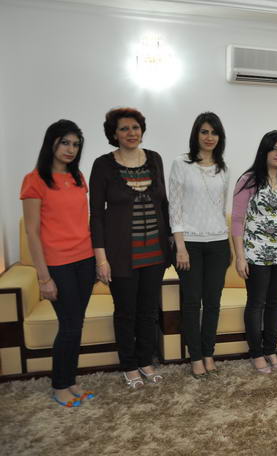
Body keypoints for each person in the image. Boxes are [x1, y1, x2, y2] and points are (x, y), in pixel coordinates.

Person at [90, 107, 171, 389]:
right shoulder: (103, 165)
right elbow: (96, 215)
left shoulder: (155, 159)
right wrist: (101, 258)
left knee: (148, 311)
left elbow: (164, 204)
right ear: (114, 134)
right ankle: (128, 364)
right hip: (121, 255)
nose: (131, 133)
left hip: (155, 254)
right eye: (124, 128)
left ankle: (145, 360)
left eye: (135, 127)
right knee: (126, 311)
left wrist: (172, 242)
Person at [21, 120, 95, 407]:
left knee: (77, 323)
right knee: (69, 326)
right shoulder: (35, 180)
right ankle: (60, 385)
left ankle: (71, 379)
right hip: (58, 264)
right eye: (65, 142)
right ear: (51, 142)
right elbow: (32, 232)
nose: (70, 149)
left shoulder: (78, 178)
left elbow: (81, 221)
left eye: (75, 144)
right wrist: (44, 277)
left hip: (85, 260)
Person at [169, 112, 231, 379]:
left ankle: (208, 353)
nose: (209, 137)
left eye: (214, 132)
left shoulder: (223, 168)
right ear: (196, 134)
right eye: (204, 132)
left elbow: (221, 208)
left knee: (213, 303)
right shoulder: (181, 163)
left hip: (218, 242)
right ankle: (195, 356)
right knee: (192, 302)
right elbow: (174, 207)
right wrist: (180, 246)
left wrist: (227, 244)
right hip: (190, 244)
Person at [231, 130, 277, 374]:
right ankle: (256, 353)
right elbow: (237, 221)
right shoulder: (248, 180)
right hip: (256, 255)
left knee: (276, 304)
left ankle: (271, 350)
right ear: (264, 151)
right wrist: (240, 256)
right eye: (274, 148)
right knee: (256, 303)